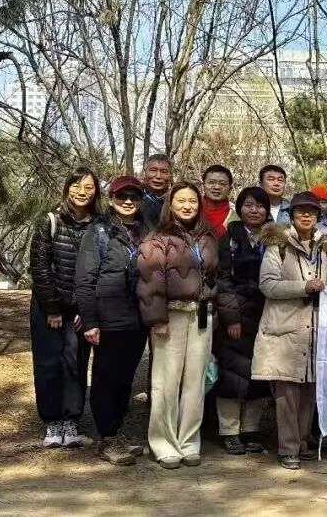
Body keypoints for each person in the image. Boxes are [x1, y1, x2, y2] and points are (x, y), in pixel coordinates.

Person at [136, 182, 219, 469]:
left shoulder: (208, 237)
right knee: (166, 382)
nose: (187, 206)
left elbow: (215, 276)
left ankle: (189, 441)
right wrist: (157, 319)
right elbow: (150, 282)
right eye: (181, 200)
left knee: (196, 383)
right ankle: (162, 443)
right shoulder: (157, 240)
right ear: (170, 204)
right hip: (171, 316)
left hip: (203, 315)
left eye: (192, 201)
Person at [254, 191, 327, 470]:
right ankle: (287, 447)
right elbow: (267, 284)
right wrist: (304, 287)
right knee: (287, 392)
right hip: (285, 329)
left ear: (318, 216)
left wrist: (326, 292)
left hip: (315, 329)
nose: (306, 215)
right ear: (292, 215)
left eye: (311, 211)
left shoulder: (326, 248)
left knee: (309, 391)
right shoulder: (278, 245)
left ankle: (302, 442)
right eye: (300, 210)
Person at [75, 175, 148, 465]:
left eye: (134, 197)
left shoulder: (146, 230)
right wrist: (91, 321)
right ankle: (106, 437)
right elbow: (84, 280)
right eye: (121, 196)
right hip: (108, 317)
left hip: (138, 318)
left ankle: (117, 431)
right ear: (111, 198)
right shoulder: (99, 231)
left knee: (125, 378)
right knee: (106, 378)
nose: (128, 201)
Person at [30, 167, 100, 449]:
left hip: (80, 310)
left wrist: (87, 309)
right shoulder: (50, 220)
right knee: (48, 365)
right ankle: (52, 421)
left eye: (89, 187)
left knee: (76, 365)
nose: (82, 192)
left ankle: (71, 420)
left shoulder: (99, 225)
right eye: (77, 186)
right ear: (67, 187)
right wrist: (52, 309)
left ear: (96, 193)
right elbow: (39, 266)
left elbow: (100, 270)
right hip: (48, 308)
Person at [213, 186, 271, 457]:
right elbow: (222, 279)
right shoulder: (229, 238)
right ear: (240, 208)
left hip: (267, 315)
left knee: (259, 374)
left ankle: (251, 430)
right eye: (248, 205)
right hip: (236, 316)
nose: (254, 210)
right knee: (232, 374)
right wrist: (231, 317)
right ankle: (229, 431)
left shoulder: (275, 237)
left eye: (259, 205)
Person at [201, 164, 236, 237]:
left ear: (230, 189)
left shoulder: (237, 215)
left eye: (222, 184)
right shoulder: (192, 210)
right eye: (211, 182)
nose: (217, 187)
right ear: (203, 185)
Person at [140, 154, 172, 232]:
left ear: (170, 175)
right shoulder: (134, 198)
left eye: (164, 171)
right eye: (153, 170)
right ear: (145, 173)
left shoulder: (176, 200)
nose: (158, 176)